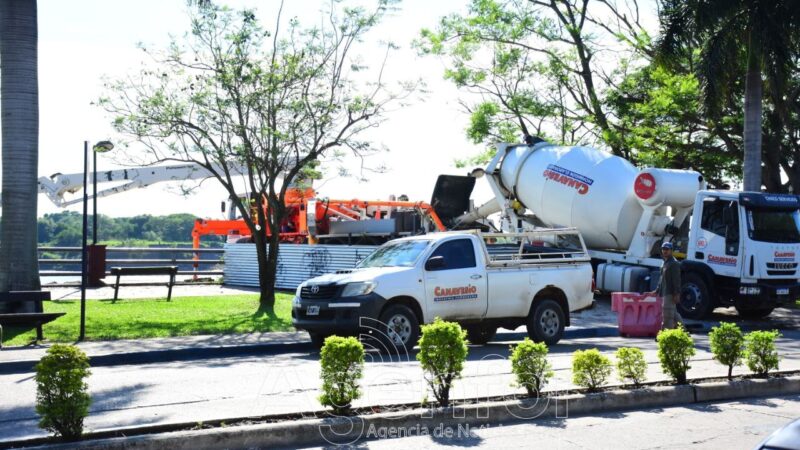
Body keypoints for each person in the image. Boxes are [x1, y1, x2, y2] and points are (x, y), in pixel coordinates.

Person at [653, 241, 682, 330]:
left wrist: (676, 294)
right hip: (664, 292)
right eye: (663, 249)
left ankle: (666, 333)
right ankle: (683, 331)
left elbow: (677, 280)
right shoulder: (665, 262)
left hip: (670, 293)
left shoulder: (674, 263)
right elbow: (662, 278)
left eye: (667, 249)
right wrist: (657, 290)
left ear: (671, 250)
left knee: (667, 316)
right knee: (674, 315)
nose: (665, 251)